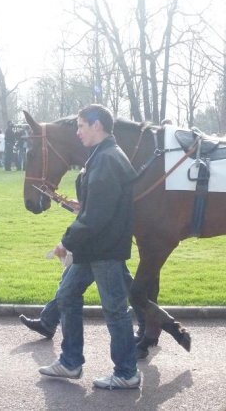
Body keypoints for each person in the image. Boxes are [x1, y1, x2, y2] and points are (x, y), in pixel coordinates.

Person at [37, 104, 141, 390]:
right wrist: (80, 207)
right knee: (66, 295)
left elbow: (98, 216)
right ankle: (71, 362)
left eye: (81, 125)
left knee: (115, 310)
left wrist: (65, 242)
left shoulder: (107, 158)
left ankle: (127, 372)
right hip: (94, 246)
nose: (78, 131)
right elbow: (98, 206)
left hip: (104, 248)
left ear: (97, 125)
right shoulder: (102, 155)